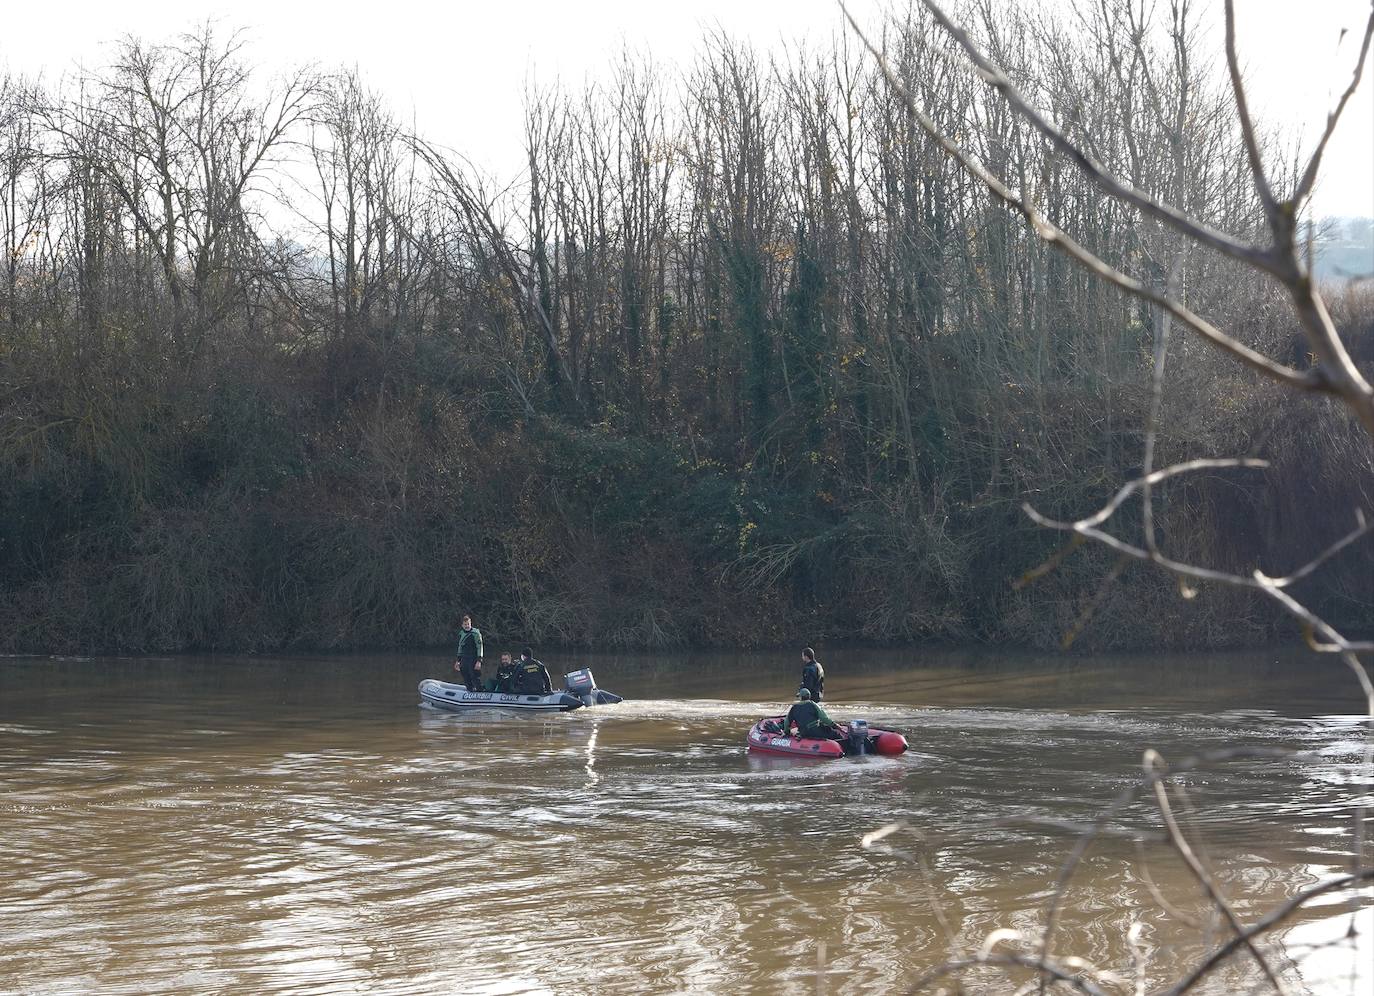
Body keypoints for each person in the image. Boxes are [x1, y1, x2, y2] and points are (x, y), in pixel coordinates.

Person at [453, 615, 484, 691]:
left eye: (468, 624)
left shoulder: (475, 633)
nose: (467, 626)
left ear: (470, 624)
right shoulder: (461, 634)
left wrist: (479, 661)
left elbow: (480, 647)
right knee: (465, 675)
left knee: (474, 675)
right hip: (464, 658)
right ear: (462, 625)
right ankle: (470, 690)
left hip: (473, 658)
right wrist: (458, 660)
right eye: (465, 624)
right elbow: (460, 647)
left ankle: (479, 691)